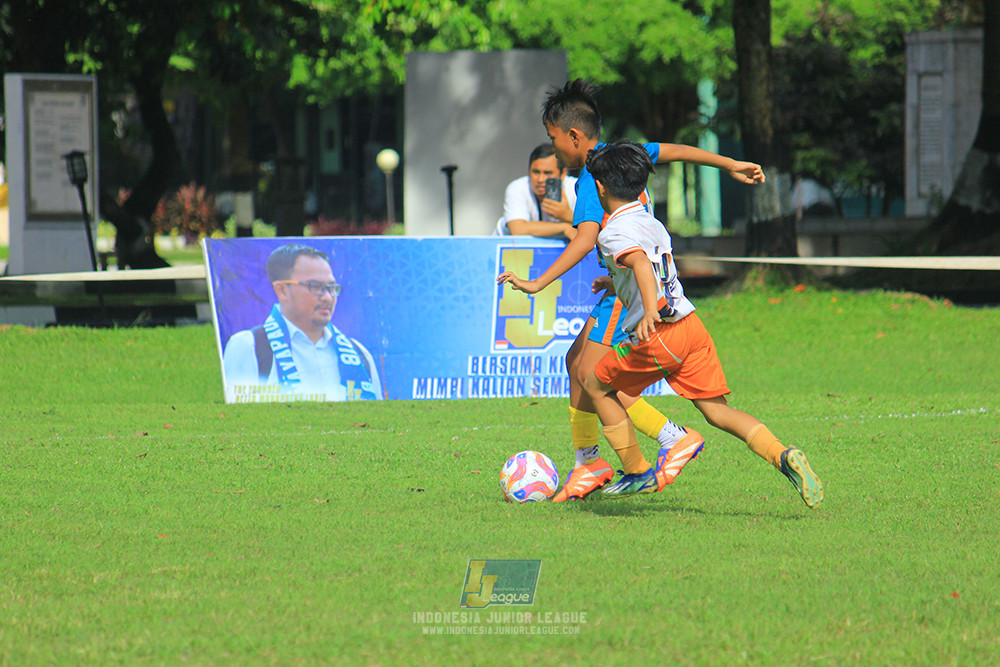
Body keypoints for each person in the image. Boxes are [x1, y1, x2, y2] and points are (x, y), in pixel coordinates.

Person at [498, 79, 765, 502]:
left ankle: (660, 442)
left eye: (553, 140)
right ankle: (590, 461)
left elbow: (585, 239)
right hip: (624, 284)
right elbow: (676, 150)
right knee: (577, 364)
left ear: (574, 136)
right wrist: (729, 162)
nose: (552, 150)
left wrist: (536, 282)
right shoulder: (627, 154)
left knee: (593, 378)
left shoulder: (591, 179)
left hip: (627, 293)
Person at [580, 139, 823, 507]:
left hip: (658, 332)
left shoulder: (611, 232)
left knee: (595, 385)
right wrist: (615, 281)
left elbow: (643, 267)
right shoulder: (651, 223)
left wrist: (648, 310)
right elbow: (651, 265)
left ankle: (636, 471)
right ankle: (782, 455)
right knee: (717, 411)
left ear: (599, 187)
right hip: (691, 328)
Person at [222, 243, 383, 402]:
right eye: (315, 286)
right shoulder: (250, 346)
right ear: (282, 290)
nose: (327, 297)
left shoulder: (358, 354)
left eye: (332, 287)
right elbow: (240, 420)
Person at [494, 144, 578, 240]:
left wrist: (567, 215)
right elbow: (518, 230)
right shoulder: (518, 187)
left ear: (563, 173)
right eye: (536, 172)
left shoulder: (576, 188)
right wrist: (565, 227)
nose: (541, 179)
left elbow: (595, 226)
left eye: (548, 173)